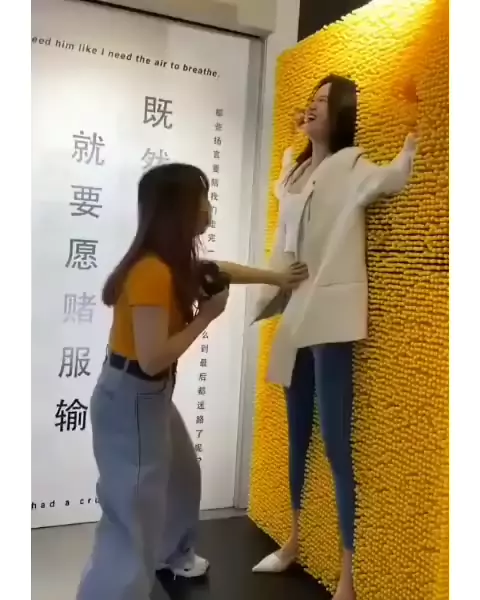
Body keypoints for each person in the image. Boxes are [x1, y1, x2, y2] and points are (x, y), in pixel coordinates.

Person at [76, 162, 308, 600]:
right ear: (180, 208)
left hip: (148, 395)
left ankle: (173, 554)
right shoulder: (151, 272)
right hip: (133, 396)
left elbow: (219, 269)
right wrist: (207, 317)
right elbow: (152, 359)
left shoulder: (172, 263)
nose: (208, 206)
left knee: (182, 474)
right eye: (203, 198)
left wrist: (277, 278)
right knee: (133, 514)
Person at [251, 74, 417, 600]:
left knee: (334, 440)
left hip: (329, 310)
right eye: (311, 100)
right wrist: (290, 149)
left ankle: (347, 574)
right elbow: (284, 198)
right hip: (295, 308)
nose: (313, 107)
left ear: (341, 111)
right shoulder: (297, 170)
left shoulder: (351, 166)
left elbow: (393, 178)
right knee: (297, 432)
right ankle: (294, 540)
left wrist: (413, 134)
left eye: (323, 101)